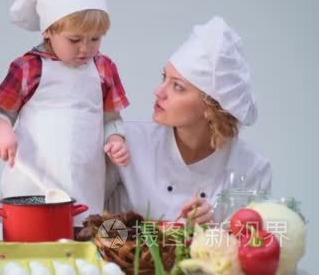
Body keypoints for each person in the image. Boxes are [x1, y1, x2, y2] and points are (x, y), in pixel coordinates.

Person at [0, 0, 130, 225]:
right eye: (74, 40)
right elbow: (0, 113)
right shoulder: (28, 67)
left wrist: (116, 140)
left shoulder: (104, 68)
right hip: (32, 180)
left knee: (83, 236)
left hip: (85, 176)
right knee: (35, 242)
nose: (85, 49)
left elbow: (112, 119)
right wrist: (2, 130)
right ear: (48, 31)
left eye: (95, 39)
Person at [105, 16, 272, 223]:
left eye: (177, 86)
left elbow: (250, 248)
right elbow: (91, 227)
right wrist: (148, 236)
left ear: (210, 108)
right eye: (163, 78)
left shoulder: (251, 169)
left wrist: (210, 232)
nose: (158, 91)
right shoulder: (125, 142)